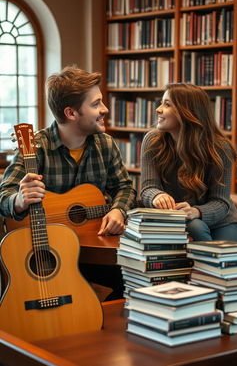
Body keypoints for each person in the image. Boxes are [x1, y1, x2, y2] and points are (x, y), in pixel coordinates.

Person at [0, 65, 136, 299]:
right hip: (49, 255)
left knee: (131, 282)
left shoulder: (106, 145)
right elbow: (4, 196)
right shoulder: (35, 147)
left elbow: (124, 187)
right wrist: (20, 200)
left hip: (93, 250)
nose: (105, 109)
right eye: (95, 104)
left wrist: (118, 211)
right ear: (71, 113)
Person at [140, 83, 237, 242]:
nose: (158, 109)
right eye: (161, 103)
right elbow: (148, 188)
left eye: (167, 104)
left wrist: (197, 211)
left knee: (229, 261)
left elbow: (221, 202)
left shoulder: (220, 148)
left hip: (221, 220)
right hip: (178, 219)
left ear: (187, 112)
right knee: (195, 227)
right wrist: (156, 196)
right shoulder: (152, 141)